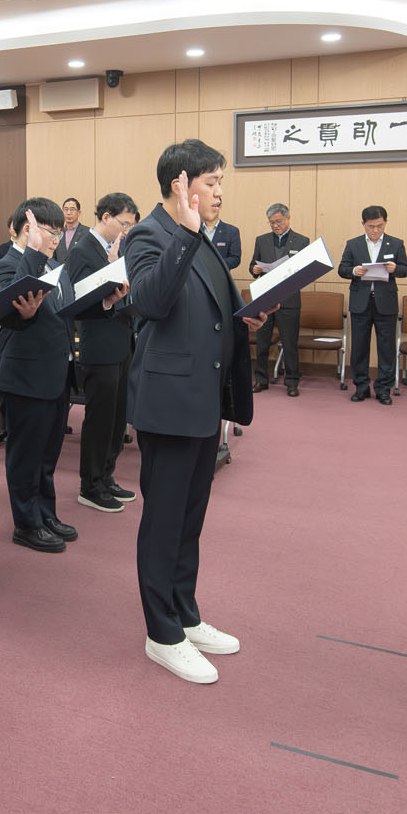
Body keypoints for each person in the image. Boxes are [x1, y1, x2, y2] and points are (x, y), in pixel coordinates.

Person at [126, 139, 268, 684]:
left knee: (190, 520)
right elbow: (149, 302)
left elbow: (207, 312)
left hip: (204, 401)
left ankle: (184, 614)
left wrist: (245, 317)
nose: (220, 193)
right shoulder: (150, 234)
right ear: (180, 185)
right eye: (212, 182)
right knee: (164, 522)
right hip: (169, 404)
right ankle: (161, 634)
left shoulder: (202, 237)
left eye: (220, 182)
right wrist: (185, 234)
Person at [0, 198, 84, 553]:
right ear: (27, 230)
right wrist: (32, 253)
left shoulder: (56, 266)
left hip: (56, 374)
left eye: (60, 232)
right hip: (25, 379)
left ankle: (46, 514)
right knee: (25, 458)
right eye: (50, 231)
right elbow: (9, 305)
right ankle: (26, 524)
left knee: (47, 457)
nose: (56, 239)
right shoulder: (6, 265)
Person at [68, 192, 139, 512]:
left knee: (117, 418)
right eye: (124, 223)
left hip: (121, 343)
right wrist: (109, 282)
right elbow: (77, 300)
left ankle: (106, 475)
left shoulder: (115, 249)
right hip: (98, 345)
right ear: (106, 217)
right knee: (99, 420)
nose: (126, 230)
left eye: (130, 226)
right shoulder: (82, 249)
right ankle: (90, 484)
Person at [338, 205, 407, 404]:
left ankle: (384, 389)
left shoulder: (396, 244)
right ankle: (361, 387)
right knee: (359, 347)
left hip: (385, 303)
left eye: (380, 226)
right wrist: (354, 271)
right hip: (360, 302)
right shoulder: (353, 244)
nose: (376, 230)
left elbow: (406, 269)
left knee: (386, 349)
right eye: (371, 226)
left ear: (385, 223)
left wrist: (395, 269)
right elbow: (342, 269)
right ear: (363, 224)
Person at [248, 204, 310, 397]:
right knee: (262, 343)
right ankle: (261, 379)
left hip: (289, 300)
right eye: (271, 222)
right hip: (265, 299)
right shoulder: (262, 240)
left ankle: (292, 382)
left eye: (279, 221)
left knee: (290, 344)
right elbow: (253, 266)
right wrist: (255, 270)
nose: (275, 225)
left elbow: (306, 270)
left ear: (288, 218)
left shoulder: (302, 241)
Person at [51, 197, 89, 263]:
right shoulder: (56, 233)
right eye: (66, 209)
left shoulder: (88, 232)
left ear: (79, 213)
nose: (68, 213)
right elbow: (52, 255)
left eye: (72, 209)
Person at [206, 207, 241, 272]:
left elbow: (235, 259)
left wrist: (216, 263)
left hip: (219, 275)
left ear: (220, 206)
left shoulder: (232, 231)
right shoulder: (195, 229)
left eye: (214, 205)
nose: (210, 209)